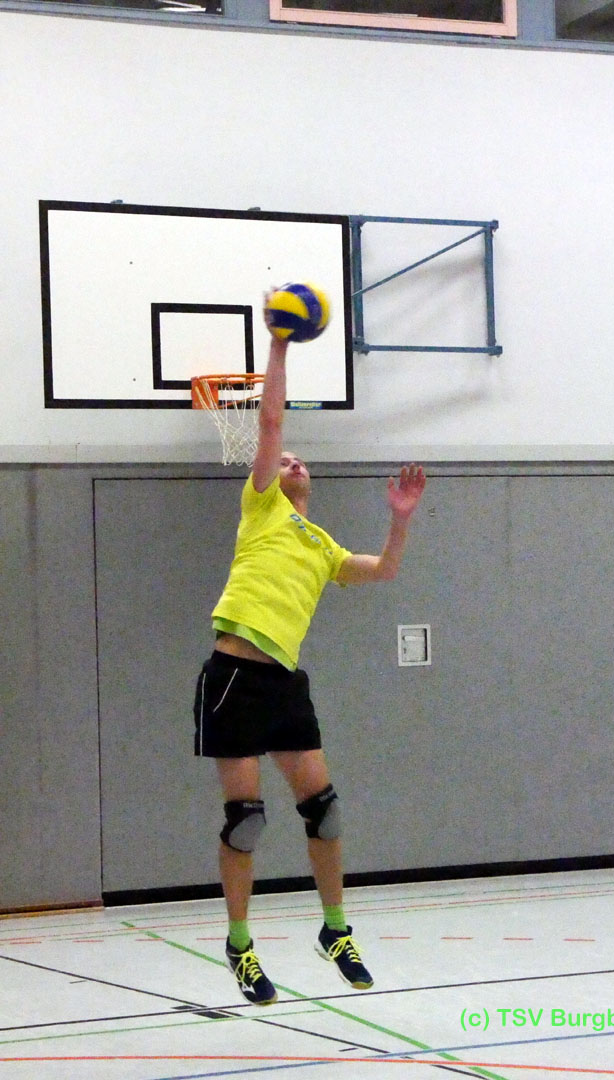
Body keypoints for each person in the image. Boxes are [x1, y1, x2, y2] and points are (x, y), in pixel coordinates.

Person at [193, 316, 426, 1006]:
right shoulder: (262, 507)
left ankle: (335, 930)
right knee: (246, 820)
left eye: (300, 461)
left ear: (312, 482)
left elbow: (383, 570)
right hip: (233, 676)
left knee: (323, 812)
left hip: (283, 684)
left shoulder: (323, 546)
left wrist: (400, 519)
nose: (291, 462)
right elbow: (269, 423)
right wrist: (278, 345)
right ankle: (240, 944)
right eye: (285, 459)